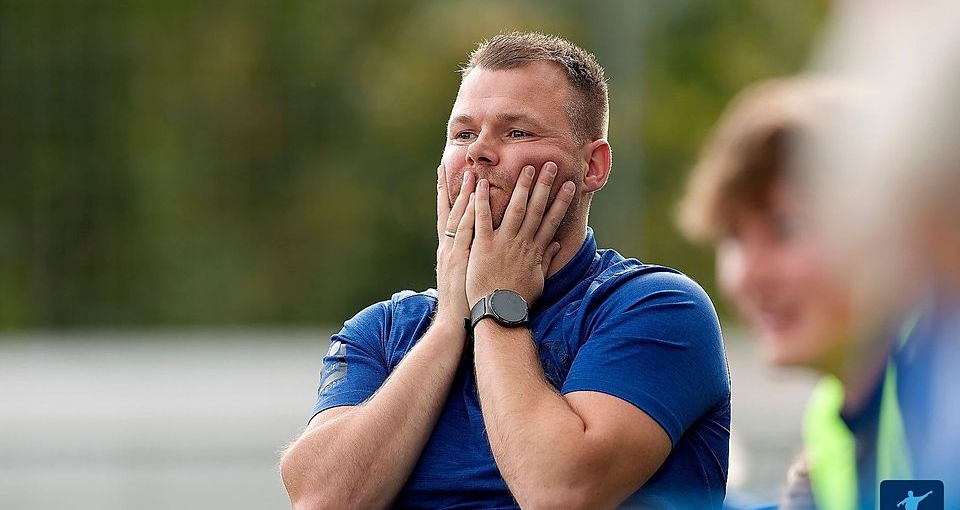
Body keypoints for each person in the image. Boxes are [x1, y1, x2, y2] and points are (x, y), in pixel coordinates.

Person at [280, 32, 730, 509]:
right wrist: (453, 317)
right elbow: (321, 500)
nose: (479, 152)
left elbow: (559, 492)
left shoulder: (656, 307)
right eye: (463, 134)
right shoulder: (384, 330)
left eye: (517, 132)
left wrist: (497, 304)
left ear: (594, 166)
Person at [678, 76, 923, 510]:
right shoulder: (835, 413)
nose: (749, 275)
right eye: (734, 236)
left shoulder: (941, 392)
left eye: (785, 228)